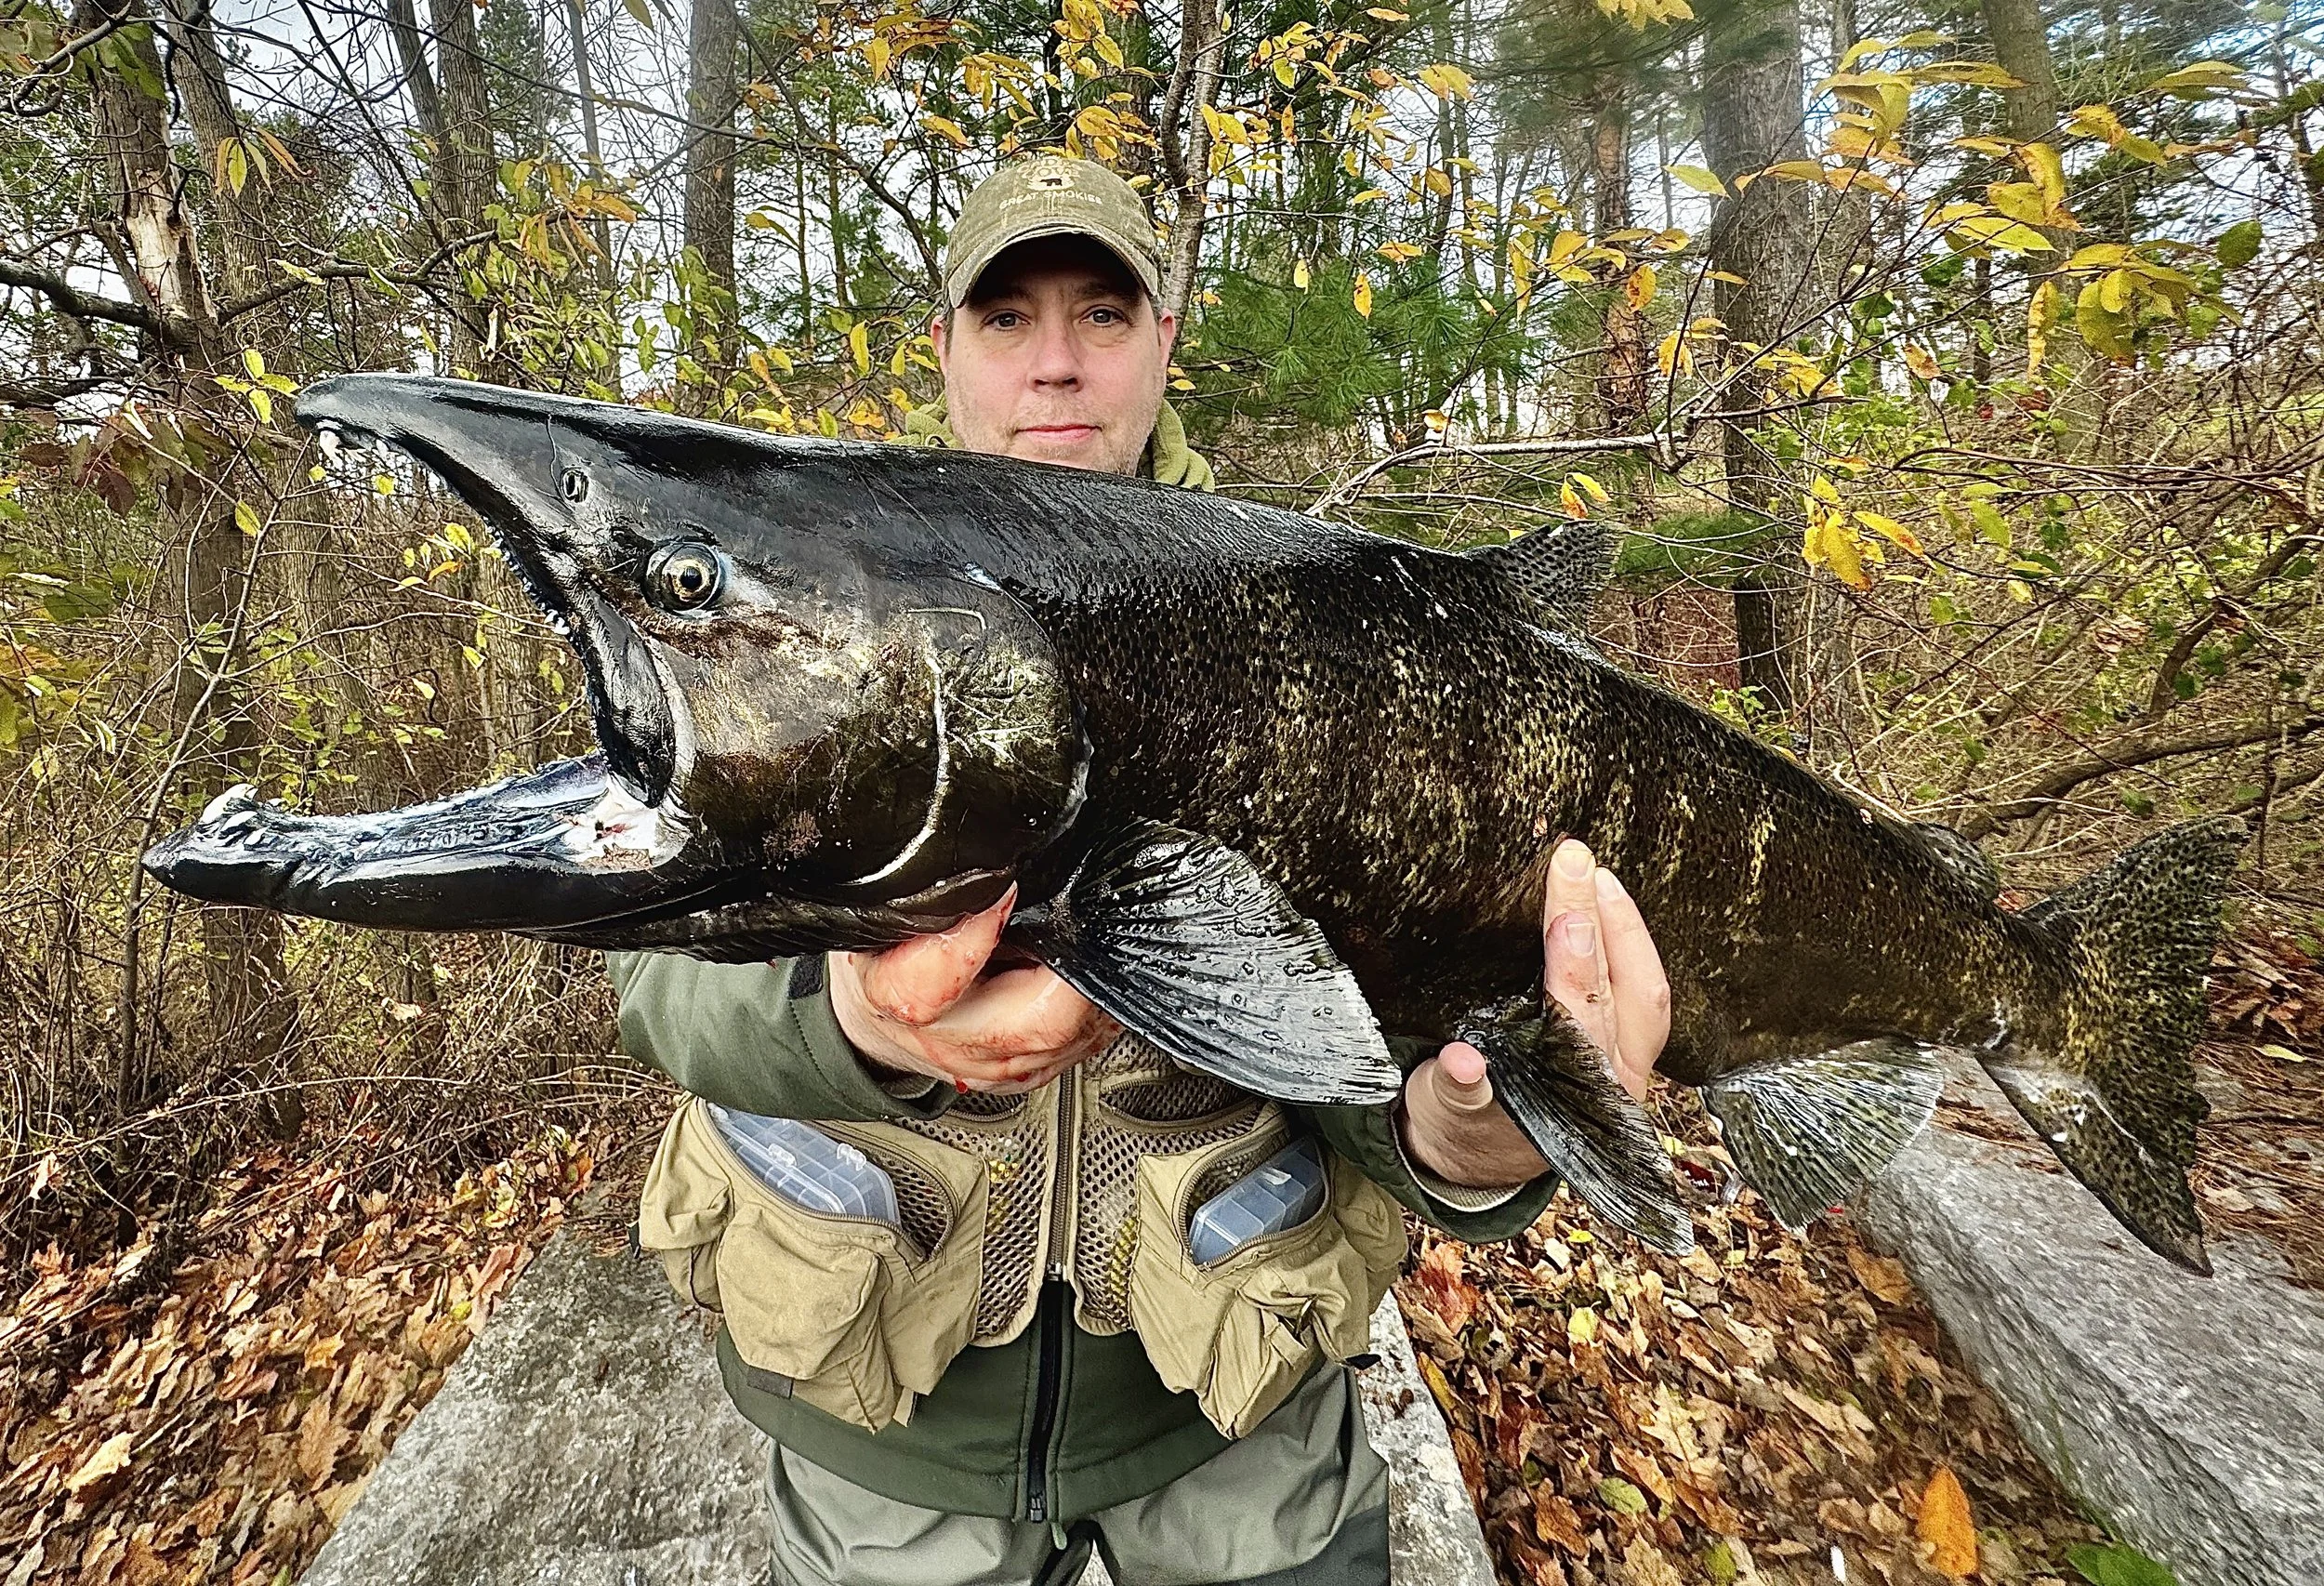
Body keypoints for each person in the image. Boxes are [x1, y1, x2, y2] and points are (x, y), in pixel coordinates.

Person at [610, 155, 1672, 1586]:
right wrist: (852, 1022)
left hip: (1233, 1398)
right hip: (882, 1415)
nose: (1056, 364)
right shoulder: (790, 604)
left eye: (1103, 315)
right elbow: (657, 972)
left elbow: (1381, 1060)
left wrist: (1469, 1145)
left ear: (1166, 340)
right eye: (1007, 318)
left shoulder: (1319, 629)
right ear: (945, 348)